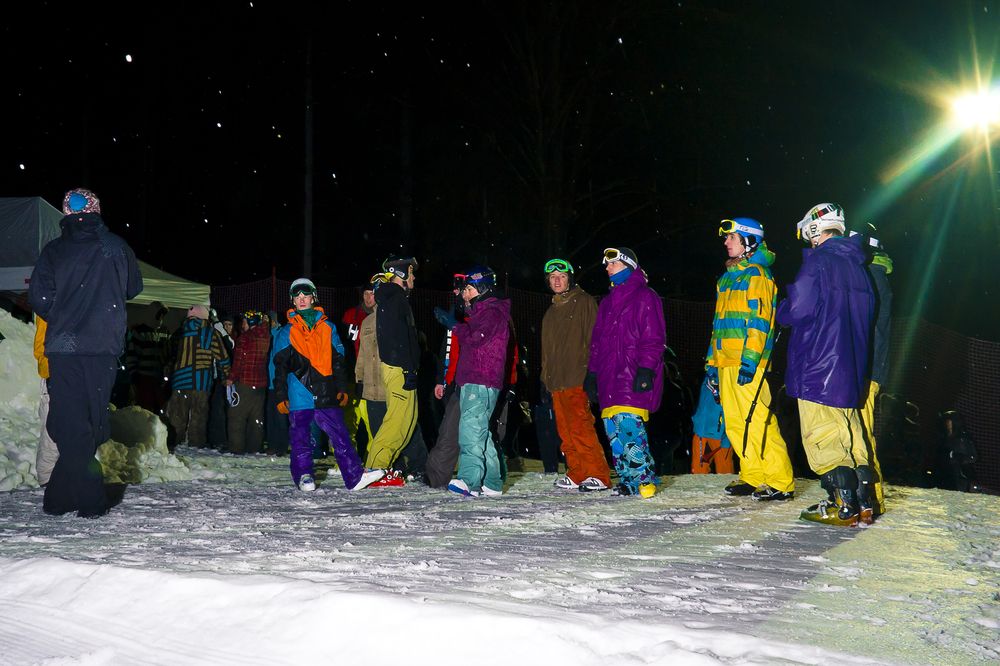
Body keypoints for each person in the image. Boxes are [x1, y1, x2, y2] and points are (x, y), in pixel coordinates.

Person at [28, 187, 143, 517]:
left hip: (64, 348)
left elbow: (38, 298)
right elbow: (133, 287)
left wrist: (64, 314)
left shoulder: (54, 250)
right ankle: (87, 500)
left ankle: (58, 498)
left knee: (71, 421)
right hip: (102, 346)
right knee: (91, 423)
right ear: (96, 210)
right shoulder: (115, 246)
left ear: (66, 213)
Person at [777, 202, 876, 526]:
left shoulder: (818, 261)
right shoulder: (858, 266)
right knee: (852, 435)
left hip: (818, 367)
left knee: (824, 437)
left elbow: (799, 308)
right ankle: (865, 502)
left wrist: (782, 309)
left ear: (814, 228)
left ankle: (842, 506)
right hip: (850, 368)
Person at [706, 218, 794, 501]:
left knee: (757, 420)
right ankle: (752, 474)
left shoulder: (758, 275)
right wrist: (711, 364)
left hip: (746, 363)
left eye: (731, 237)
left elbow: (760, 322)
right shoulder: (726, 278)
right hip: (725, 361)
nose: (726, 242)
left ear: (749, 241)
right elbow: (718, 325)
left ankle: (779, 480)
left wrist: (750, 361)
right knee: (734, 421)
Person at [270, 278, 384, 492]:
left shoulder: (328, 328)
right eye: (297, 297)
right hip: (299, 393)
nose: (302, 300)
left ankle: (354, 477)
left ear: (313, 298)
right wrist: (280, 395)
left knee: (340, 434)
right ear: (292, 301)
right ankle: (304, 475)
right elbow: (280, 368)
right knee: (301, 437)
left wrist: (342, 388)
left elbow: (339, 362)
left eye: (306, 296)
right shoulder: (286, 332)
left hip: (326, 391)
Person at [585, 247, 665, 499]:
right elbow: (597, 343)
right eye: (607, 265)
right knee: (614, 432)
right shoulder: (607, 303)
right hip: (608, 378)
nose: (607, 268)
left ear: (628, 266)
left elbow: (653, 337)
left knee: (630, 429)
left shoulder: (645, 297)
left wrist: (646, 369)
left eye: (613, 263)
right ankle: (627, 479)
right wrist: (593, 373)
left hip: (631, 374)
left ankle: (644, 479)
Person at [434, 266, 510, 497]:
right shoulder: (482, 312)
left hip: (481, 379)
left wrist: (454, 326)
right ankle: (493, 482)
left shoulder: (492, 312)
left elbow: (477, 339)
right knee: (480, 432)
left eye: (468, 289)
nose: (464, 294)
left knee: (470, 431)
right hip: (474, 379)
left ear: (483, 289)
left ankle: (470, 481)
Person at [540, 258, 610, 492]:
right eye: (553, 277)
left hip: (577, 376)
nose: (557, 281)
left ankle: (597, 473)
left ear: (569, 279)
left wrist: (593, 372)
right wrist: (544, 379)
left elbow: (596, 339)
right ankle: (577, 471)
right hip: (556, 381)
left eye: (561, 276)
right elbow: (547, 351)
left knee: (581, 426)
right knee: (565, 430)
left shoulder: (584, 302)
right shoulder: (550, 312)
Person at [362, 256, 421, 485]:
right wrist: (406, 369)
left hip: (402, 368)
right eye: (411, 273)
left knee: (407, 422)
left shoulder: (396, 298)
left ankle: (382, 468)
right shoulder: (394, 298)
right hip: (399, 369)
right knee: (396, 422)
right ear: (402, 274)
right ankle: (374, 467)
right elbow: (395, 339)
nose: (414, 277)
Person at [851, 225, 891, 515]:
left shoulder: (871, 276)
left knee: (861, 433)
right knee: (859, 432)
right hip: (867, 368)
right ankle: (866, 495)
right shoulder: (875, 274)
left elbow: (866, 327)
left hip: (865, 369)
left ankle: (870, 497)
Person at [165, 305, 231, 449]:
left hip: (179, 380)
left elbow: (169, 355)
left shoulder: (179, 333)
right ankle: (196, 443)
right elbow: (222, 357)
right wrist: (226, 375)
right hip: (200, 381)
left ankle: (174, 442)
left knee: (177, 414)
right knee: (198, 415)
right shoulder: (209, 332)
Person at [225, 309, 271, 454]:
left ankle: (236, 448)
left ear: (250, 322)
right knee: (256, 419)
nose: (242, 325)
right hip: (260, 384)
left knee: (236, 417)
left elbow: (239, 361)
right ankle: (254, 448)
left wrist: (231, 378)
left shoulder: (245, 338)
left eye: (244, 322)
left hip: (245, 383)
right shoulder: (266, 335)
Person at [124, 301, 171, 415]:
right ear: (153, 314)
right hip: (144, 378)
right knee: (146, 410)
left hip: (159, 379)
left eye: (163, 315)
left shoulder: (164, 332)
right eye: (159, 315)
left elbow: (167, 354)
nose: (161, 318)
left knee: (161, 409)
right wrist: (134, 376)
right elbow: (132, 355)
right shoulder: (140, 331)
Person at [689, 371, 733, 474]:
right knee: (699, 475)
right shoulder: (709, 373)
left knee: (725, 473)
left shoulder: (731, 372)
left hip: (721, 433)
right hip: (703, 431)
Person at [32, 315, 58, 486]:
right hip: (54, 375)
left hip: (68, 374)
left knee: (71, 432)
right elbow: (40, 347)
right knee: (51, 433)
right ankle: (46, 480)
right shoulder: (50, 306)